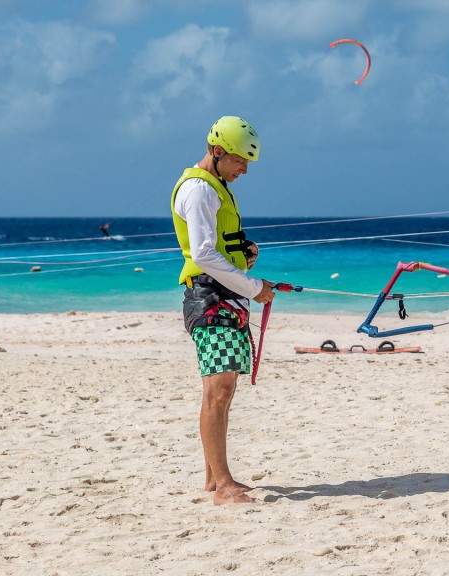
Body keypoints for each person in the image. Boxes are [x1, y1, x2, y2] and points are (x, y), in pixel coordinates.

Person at [171, 116, 277, 505]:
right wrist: (255, 287)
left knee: (222, 390)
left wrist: (246, 256)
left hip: (224, 297)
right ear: (217, 152)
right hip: (210, 300)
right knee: (218, 390)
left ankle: (215, 479)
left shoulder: (216, 187)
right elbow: (201, 254)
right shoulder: (199, 190)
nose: (244, 169)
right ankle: (223, 486)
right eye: (239, 160)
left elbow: (219, 248)